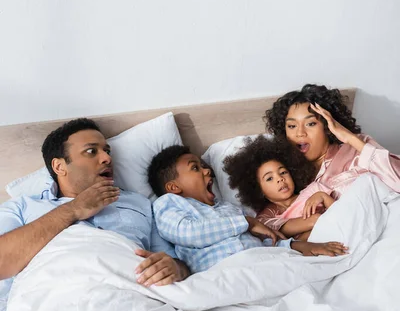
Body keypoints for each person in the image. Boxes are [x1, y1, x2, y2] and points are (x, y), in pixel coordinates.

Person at [0, 118, 189, 287]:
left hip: (130, 294)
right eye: (91, 151)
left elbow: (175, 263)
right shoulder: (23, 208)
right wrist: (73, 209)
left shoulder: (140, 204)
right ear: (59, 166)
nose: (107, 158)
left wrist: (176, 269)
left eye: (107, 151)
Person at [148, 145, 348, 274]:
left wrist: (305, 247)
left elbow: (267, 244)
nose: (207, 170)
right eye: (195, 168)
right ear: (174, 187)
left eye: (203, 166)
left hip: (266, 265)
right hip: (224, 274)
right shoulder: (168, 204)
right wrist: (247, 222)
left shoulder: (229, 209)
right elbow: (189, 233)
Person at [265, 84, 400, 196]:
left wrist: (349, 137)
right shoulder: (282, 174)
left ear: (328, 126)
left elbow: (397, 180)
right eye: (292, 126)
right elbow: (271, 219)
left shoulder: (357, 147)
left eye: (310, 124)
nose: (300, 133)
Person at [223, 136, 336, 239]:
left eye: (283, 172)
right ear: (257, 189)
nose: (280, 179)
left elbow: (343, 214)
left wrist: (323, 197)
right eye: (269, 178)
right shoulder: (265, 218)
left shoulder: (314, 189)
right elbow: (312, 221)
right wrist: (316, 220)